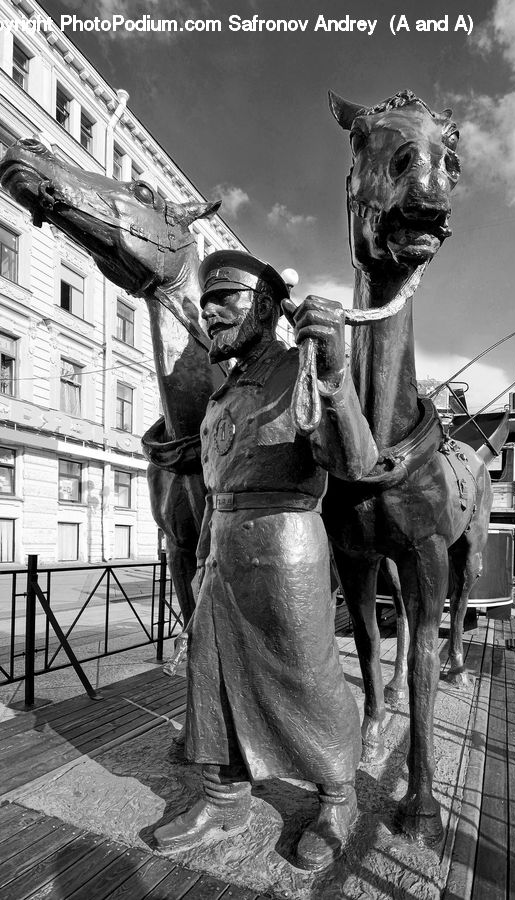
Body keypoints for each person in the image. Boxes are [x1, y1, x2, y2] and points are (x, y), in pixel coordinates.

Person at [154, 250, 378, 870]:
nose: (212, 309)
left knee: (305, 671)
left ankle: (338, 795)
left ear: (271, 308)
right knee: (212, 670)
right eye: (207, 299)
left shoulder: (298, 369)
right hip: (222, 541)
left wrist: (333, 379)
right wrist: (202, 555)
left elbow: (355, 462)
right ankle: (223, 796)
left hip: (284, 544)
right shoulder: (222, 396)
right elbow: (214, 484)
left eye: (228, 297)